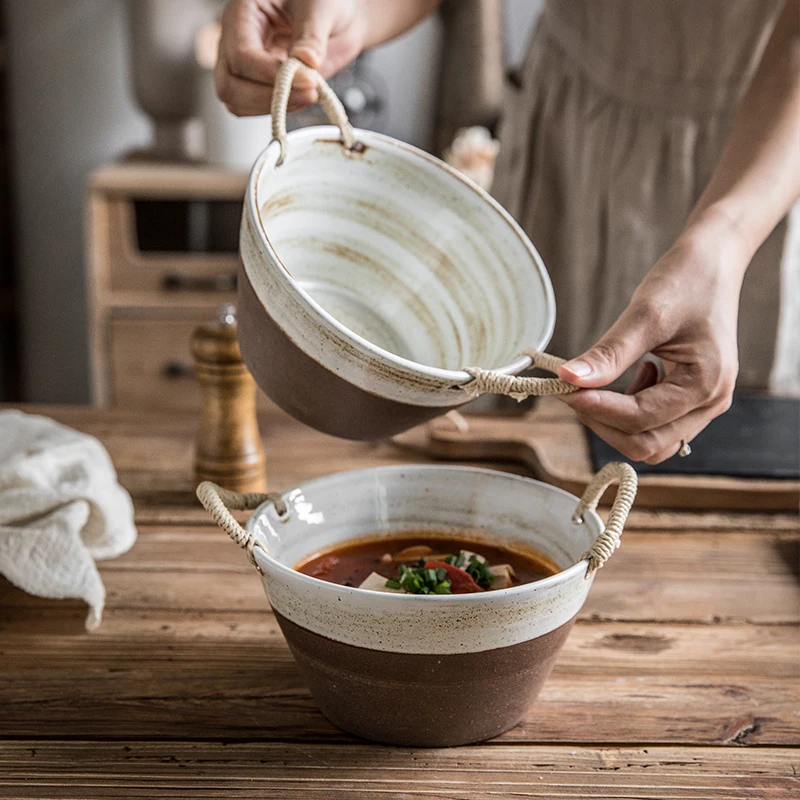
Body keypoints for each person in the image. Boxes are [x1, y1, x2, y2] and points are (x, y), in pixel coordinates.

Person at [215, 0, 800, 463]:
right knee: (513, 441)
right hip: (567, 127)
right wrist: (358, 9)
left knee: (715, 452)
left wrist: (723, 241)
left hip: (757, 166)